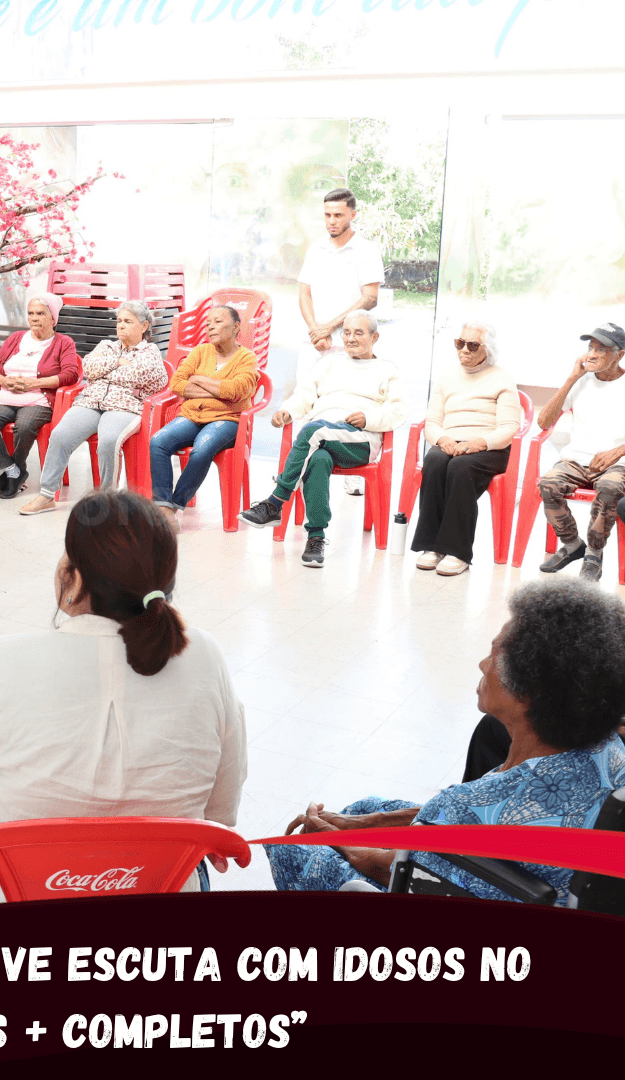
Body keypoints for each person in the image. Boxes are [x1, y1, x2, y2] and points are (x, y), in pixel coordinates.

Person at [0, 490, 247, 906]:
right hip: (156, 901)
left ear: (73, 579)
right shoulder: (206, 658)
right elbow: (221, 816)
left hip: (7, 906)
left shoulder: (4, 660)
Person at [266, 579, 625, 904]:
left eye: (496, 655)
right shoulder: (610, 751)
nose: (483, 664)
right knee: (364, 808)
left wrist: (335, 839)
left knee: (293, 849)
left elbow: (392, 869)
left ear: (527, 693)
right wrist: (356, 825)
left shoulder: (464, 808)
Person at [239, 311, 407, 567]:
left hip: (359, 439)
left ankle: (275, 502)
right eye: (347, 332)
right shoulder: (329, 363)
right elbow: (303, 395)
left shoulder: (387, 370)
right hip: (321, 438)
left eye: (358, 333)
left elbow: (398, 411)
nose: (350, 338)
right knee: (317, 458)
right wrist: (288, 410)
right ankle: (316, 537)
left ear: (375, 337)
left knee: (310, 431)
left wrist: (369, 418)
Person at [18, 301, 167, 516]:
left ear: (144, 326)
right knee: (59, 435)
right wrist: (119, 362)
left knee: (108, 442)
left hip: (124, 405)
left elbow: (139, 376)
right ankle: (47, 495)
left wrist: (106, 369)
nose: (121, 325)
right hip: (91, 401)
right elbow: (88, 368)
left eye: (128, 321)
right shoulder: (106, 345)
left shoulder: (150, 351)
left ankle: (109, 500)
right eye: (119, 320)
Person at [410, 322, 521, 577]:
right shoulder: (446, 377)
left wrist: (478, 443)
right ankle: (431, 546)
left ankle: (457, 552)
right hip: (450, 441)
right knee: (435, 461)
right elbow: (432, 422)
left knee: (460, 467)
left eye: (472, 345)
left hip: (489, 447)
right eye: (460, 343)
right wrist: (443, 439)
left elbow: (509, 427)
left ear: (488, 349)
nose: (464, 350)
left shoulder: (502, 378)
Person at [298, 187, 384, 498]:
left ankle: (352, 474)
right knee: (306, 403)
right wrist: (315, 330)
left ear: (352, 214)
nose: (331, 221)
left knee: (352, 404)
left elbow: (370, 298)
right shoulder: (316, 249)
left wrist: (330, 328)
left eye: (338, 215)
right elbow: (304, 293)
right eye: (327, 215)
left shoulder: (366, 250)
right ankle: (297, 465)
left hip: (351, 341)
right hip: (315, 341)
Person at [148, 305, 259, 530]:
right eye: (208, 323)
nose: (210, 327)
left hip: (227, 419)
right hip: (192, 415)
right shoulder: (200, 352)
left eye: (218, 322)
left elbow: (235, 391)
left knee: (202, 448)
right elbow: (177, 384)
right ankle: (163, 508)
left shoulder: (247, 358)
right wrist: (218, 391)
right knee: (158, 441)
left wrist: (198, 379)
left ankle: (174, 506)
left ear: (236, 327)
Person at [534, 322, 625, 582]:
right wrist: (572, 378)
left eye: (601, 349)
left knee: (610, 487)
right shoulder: (581, 381)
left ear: (619, 355)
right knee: (548, 483)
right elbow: (544, 422)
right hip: (576, 460)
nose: (592, 354)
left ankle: (594, 554)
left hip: (616, 464)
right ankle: (573, 544)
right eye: (591, 347)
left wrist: (619, 450)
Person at [0, 293, 80, 502]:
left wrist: (34, 383)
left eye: (40, 313)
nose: (34, 318)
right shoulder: (16, 338)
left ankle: (16, 469)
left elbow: (71, 374)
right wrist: (4, 381)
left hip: (39, 399)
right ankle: (12, 470)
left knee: (25, 426)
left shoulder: (63, 342)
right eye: (31, 313)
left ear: (53, 317)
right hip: (7, 395)